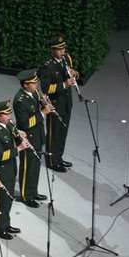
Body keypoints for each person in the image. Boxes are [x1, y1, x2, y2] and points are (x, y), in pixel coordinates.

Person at [39, 35, 78, 172]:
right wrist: (64, 84)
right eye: (59, 49)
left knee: (63, 133)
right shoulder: (47, 67)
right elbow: (46, 89)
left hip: (67, 103)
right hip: (55, 104)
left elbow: (72, 74)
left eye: (63, 48)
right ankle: (51, 161)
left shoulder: (67, 60)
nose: (63, 52)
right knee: (53, 134)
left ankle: (59, 157)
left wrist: (74, 74)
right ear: (52, 50)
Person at [0, 100, 25, 239]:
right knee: (1, 200)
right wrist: (19, 149)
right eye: (6, 114)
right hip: (1, 170)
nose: (10, 116)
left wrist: (20, 137)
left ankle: (5, 223)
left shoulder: (8, 125)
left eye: (9, 113)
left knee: (8, 200)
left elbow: (14, 138)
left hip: (10, 168)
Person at [14, 69, 50, 208]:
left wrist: (44, 103)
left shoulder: (34, 93)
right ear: (25, 85)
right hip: (28, 137)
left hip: (38, 134)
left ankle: (33, 191)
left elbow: (37, 107)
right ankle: (25, 195)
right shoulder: (20, 100)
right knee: (28, 167)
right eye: (33, 83)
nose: (36, 85)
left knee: (35, 166)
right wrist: (43, 113)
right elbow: (25, 123)